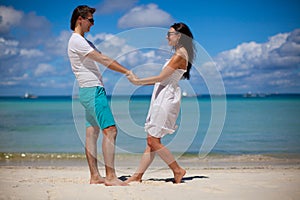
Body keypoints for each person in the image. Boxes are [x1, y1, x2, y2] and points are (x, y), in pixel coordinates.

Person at [68, 5, 133, 186]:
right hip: (93, 91)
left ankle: (95, 176)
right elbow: (103, 60)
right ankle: (110, 177)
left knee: (92, 133)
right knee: (110, 130)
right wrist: (127, 72)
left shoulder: (84, 42)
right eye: (91, 20)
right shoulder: (77, 41)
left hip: (88, 91)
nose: (93, 24)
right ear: (80, 19)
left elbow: (102, 56)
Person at [126, 22, 196, 184]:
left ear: (179, 36)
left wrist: (137, 82)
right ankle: (138, 176)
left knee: (153, 140)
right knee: (151, 140)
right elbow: (162, 80)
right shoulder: (180, 53)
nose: (167, 37)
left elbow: (160, 78)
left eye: (170, 34)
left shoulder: (180, 55)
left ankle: (177, 170)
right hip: (163, 96)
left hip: (166, 99)